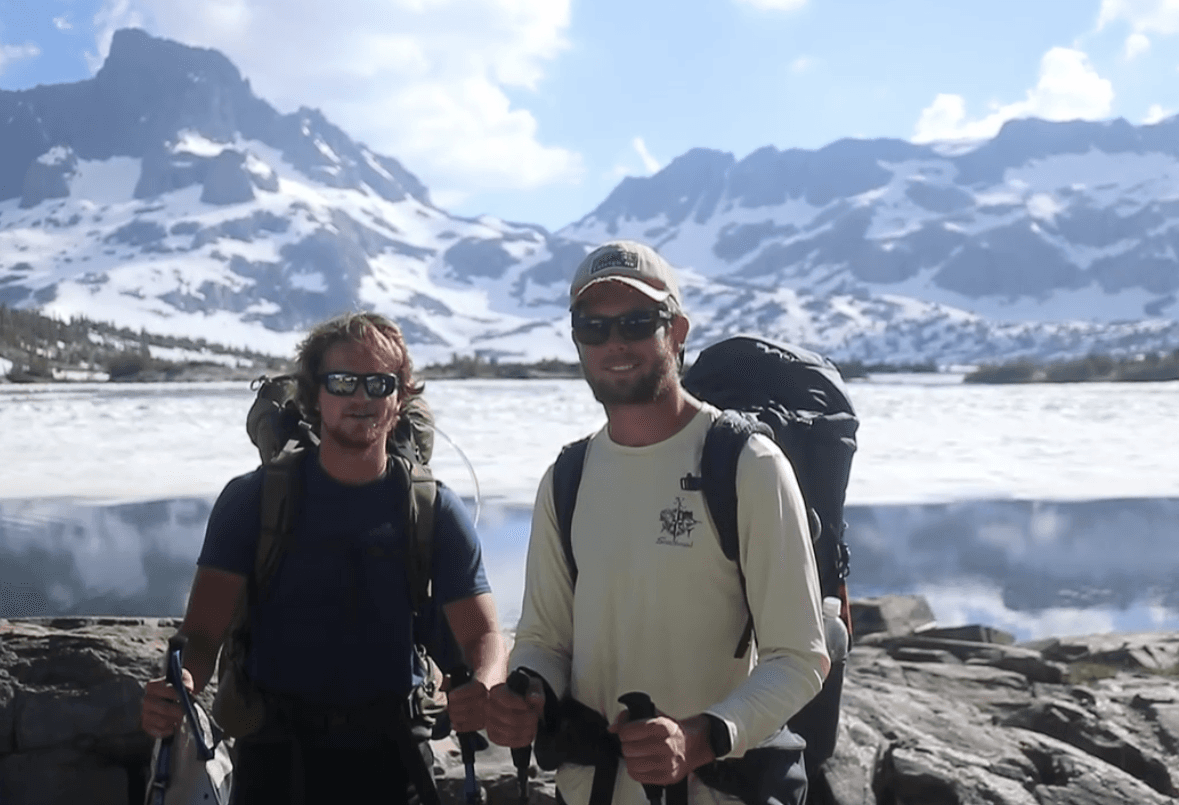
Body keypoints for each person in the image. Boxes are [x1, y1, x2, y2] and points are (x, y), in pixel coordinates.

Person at [485, 241, 830, 805]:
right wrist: (527, 692)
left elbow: (800, 656)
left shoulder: (747, 467)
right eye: (593, 326)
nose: (615, 342)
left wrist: (700, 737)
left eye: (638, 322)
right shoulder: (568, 477)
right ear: (577, 340)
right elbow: (546, 637)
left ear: (678, 330)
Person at [141, 311, 506, 804]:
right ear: (314, 395)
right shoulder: (252, 501)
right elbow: (202, 633)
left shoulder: (433, 510)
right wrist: (181, 684)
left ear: (400, 400)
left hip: (394, 753)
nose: (361, 397)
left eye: (379, 383)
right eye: (342, 381)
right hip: (276, 753)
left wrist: (483, 686)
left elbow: (483, 634)